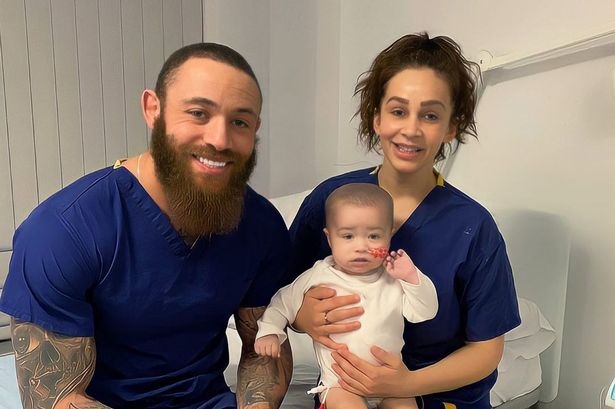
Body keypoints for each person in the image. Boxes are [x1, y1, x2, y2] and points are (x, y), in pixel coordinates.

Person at [0, 43, 292, 409]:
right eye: (198, 113)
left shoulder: (261, 226)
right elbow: (57, 397)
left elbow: (261, 347)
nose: (219, 139)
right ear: (153, 109)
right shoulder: (63, 231)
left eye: (240, 122)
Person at [289, 32, 521, 409]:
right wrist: (304, 316)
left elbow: (486, 351)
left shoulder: (473, 226)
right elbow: (284, 295)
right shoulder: (329, 200)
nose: (411, 129)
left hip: (442, 397)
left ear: (451, 127)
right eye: (398, 111)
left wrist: (404, 383)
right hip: (347, 390)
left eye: (430, 115)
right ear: (376, 117)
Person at [255, 183, 438, 409]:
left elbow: (425, 312)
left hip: (390, 382)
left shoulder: (395, 279)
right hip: (340, 384)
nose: (361, 246)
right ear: (330, 238)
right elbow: (281, 302)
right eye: (348, 236)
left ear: (390, 234)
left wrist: (411, 277)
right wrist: (270, 332)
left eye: (374, 236)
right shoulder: (319, 276)